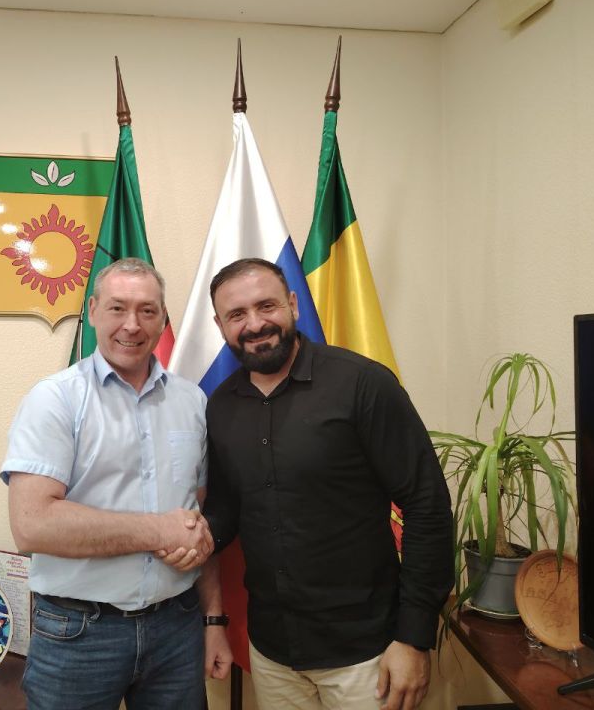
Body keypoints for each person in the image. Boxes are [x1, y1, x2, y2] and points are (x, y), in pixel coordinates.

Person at [195, 258, 454, 710]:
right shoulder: (220, 406)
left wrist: (414, 638)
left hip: (367, 655)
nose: (254, 324)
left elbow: (426, 504)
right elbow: (228, 508)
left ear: (293, 305)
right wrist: (190, 536)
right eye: (236, 314)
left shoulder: (363, 384)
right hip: (272, 653)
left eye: (266, 306)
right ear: (220, 326)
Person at [1, 258, 216, 710]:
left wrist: (213, 615)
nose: (132, 325)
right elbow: (32, 525)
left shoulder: (192, 401)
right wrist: (159, 531)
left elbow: (194, 516)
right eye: (118, 308)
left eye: (147, 311)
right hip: (79, 634)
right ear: (94, 310)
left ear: (163, 318)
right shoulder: (55, 399)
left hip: (176, 628)